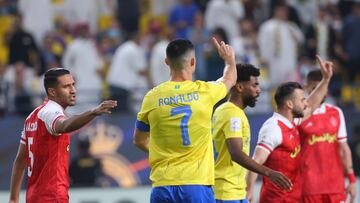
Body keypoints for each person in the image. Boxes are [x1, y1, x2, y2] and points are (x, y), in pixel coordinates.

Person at [133, 38, 237, 203]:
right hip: (196, 185)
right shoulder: (205, 92)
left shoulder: (151, 98)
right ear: (193, 62)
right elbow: (229, 79)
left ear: (166, 62)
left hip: (162, 186)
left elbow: (138, 140)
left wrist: (161, 151)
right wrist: (229, 59)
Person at [8, 68, 117, 203]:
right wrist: (93, 112)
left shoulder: (32, 117)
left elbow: (20, 161)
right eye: (66, 86)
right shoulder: (50, 112)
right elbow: (64, 125)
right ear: (52, 92)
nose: (73, 90)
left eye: (73, 84)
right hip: (52, 196)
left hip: (34, 197)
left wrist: (13, 198)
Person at [246, 55, 333, 203]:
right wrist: (249, 190)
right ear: (289, 105)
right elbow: (256, 161)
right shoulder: (273, 128)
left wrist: (326, 79)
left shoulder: (292, 122)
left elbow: (311, 106)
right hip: (276, 200)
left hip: (293, 198)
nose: (305, 103)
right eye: (302, 100)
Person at [212, 64, 293, 203]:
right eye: (254, 85)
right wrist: (268, 172)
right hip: (226, 193)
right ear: (240, 87)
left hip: (236, 191)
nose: (259, 90)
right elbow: (236, 153)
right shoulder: (232, 113)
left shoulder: (234, 112)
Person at [298, 70, 356, 203]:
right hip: (308, 187)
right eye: (314, 88)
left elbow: (343, 148)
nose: (319, 93)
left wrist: (351, 179)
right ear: (306, 87)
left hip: (335, 187)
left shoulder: (336, 112)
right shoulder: (299, 116)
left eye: (321, 88)